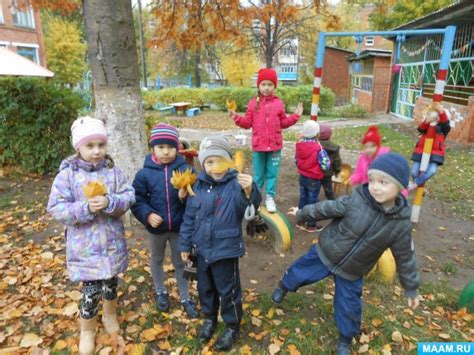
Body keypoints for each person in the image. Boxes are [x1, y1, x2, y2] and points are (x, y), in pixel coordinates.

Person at [271, 153, 420, 355]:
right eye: (372, 180)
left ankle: (345, 340)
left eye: (383, 182)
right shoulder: (357, 200)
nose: (375, 187)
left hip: (353, 269)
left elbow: (405, 256)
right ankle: (283, 286)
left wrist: (411, 287)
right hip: (326, 252)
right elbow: (327, 208)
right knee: (300, 272)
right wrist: (302, 213)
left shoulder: (400, 223)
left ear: (400, 186)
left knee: (349, 305)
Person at [47, 116, 135, 355]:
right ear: (78, 147)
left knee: (111, 283)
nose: (96, 151)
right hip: (85, 247)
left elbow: (128, 196)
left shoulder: (113, 172)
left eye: (101, 145)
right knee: (91, 290)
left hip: (112, 242)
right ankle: (87, 329)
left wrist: (110, 201)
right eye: (90, 146)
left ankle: (109, 314)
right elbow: (56, 207)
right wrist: (84, 208)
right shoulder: (67, 176)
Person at [179, 135, 262, 352]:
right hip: (200, 250)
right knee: (205, 288)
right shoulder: (196, 185)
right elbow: (189, 217)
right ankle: (209, 320)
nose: (215, 167)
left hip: (225, 250)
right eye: (209, 162)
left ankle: (232, 326)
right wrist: (185, 245)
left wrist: (250, 191)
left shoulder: (235, 185)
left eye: (220, 161)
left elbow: (248, 209)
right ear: (203, 164)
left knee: (228, 290)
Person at [131, 123, 198, 318]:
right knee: (157, 258)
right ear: (153, 149)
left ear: (177, 149)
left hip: (180, 227)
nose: (166, 152)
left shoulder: (186, 170)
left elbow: (198, 199)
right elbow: (137, 199)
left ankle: (185, 296)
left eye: (170, 147)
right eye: (161, 147)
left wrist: (185, 196)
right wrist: (147, 214)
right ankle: (161, 291)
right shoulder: (144, 174)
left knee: (180, 262)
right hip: (157, 228)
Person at [229, 68, 302, 213]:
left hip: (275, 148)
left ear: (275, 86)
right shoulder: (253, 104)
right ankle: (255, 199)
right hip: (259, 147)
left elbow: (284, 123)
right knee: (258, 175)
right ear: (258, 86)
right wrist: (236, 117)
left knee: (272, 173)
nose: (267, 88)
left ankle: (270, 197)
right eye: (263, 84)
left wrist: (295, 117)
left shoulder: (278, 103)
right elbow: (247, 123)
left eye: (270, 84)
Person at [409, 103, 451, 192]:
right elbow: (420, 130)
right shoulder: (429, 124)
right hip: (421, 151)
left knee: (432, 171)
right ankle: (420, 186)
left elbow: (446, 124)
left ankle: (416, 184)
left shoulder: (444, 129)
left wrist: (441, 112)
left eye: (439, 115)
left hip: (436, 153)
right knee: (414, 172)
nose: (437, 117)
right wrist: (427, 121)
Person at [295, 120, 325, 232]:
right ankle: (311, 225)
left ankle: (300, 221)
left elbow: (296, 160)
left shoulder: (299, 145)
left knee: (303, 197)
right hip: (314, 178)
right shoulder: (318, 148)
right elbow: (325, 164)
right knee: (312, 200)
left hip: (303, 176)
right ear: (317, 134)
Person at [319, 123, 342, 200]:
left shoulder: (315, 144)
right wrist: (337, 170)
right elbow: (337, 161)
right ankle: (333, 203)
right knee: (328, 190)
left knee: (314, 189)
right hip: (327, 172)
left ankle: (312, 203)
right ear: (330, 135)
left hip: (316, 171)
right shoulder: (334, 147)